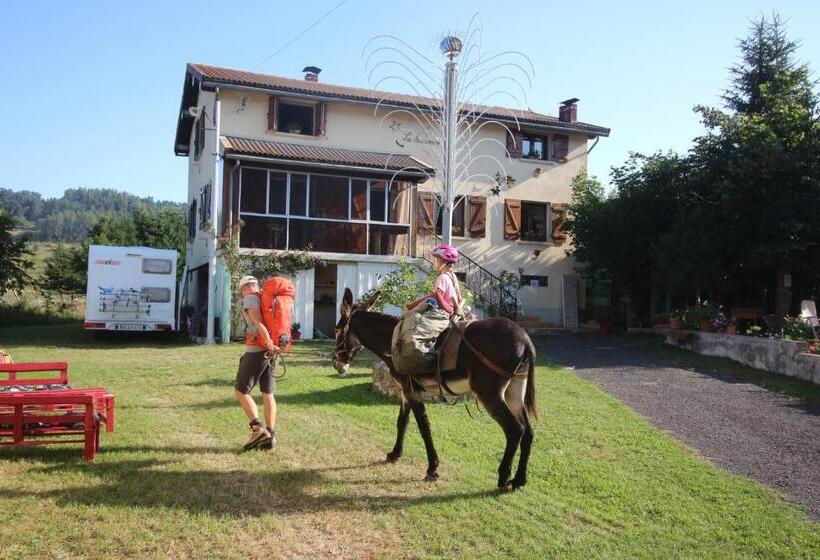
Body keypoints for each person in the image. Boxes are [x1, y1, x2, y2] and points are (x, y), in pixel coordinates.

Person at [234, 275, 279, 451]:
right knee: (268, 393)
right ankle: (270, 436)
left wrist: (267, 342)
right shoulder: (267, 298)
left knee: (241, 389)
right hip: (272, 350)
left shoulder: (251, 298)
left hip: (259, 349)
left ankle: (257, 429)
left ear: (244, 288)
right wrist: (272, 345)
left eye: (241, 290)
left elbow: (257, 321)